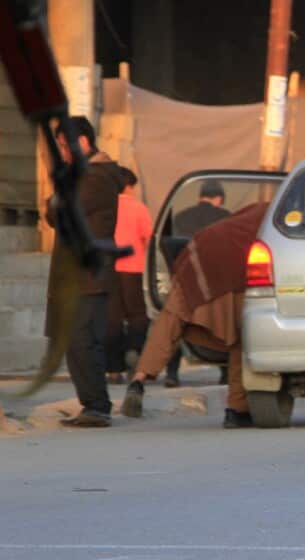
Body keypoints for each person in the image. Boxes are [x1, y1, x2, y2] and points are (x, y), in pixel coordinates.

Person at [120, 202, 269, 428]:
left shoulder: (257, 209)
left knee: (170, 320)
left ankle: (138, 380)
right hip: (236, 266)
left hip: (200, 251)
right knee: (242, 337)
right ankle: (236, 411)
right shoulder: (281, 216)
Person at [44, 116, 127, 428]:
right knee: (73, 339)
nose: (63, 153)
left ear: (82, 143)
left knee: (82, 339)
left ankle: (97, 405)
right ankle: (91, 404)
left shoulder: (97, 177)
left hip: (88, 274)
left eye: (65, 146)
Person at [164, 180, 231, 386]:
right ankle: (226, 373)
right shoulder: (226, 217)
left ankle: (172, 374)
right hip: (215, 280)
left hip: (185, 278)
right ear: (219, 199)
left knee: (176, 323)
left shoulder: (181, 216)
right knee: (221, 325)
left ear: (199, 197)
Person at [106, 167, 152, 383]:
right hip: (132, 268)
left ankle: (114, 369)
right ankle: (134, 349)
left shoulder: (106, 207)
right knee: (137, 315)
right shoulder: (139, 208)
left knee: (112, 318)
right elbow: (147, 238)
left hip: (109, 268)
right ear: (129, 186)